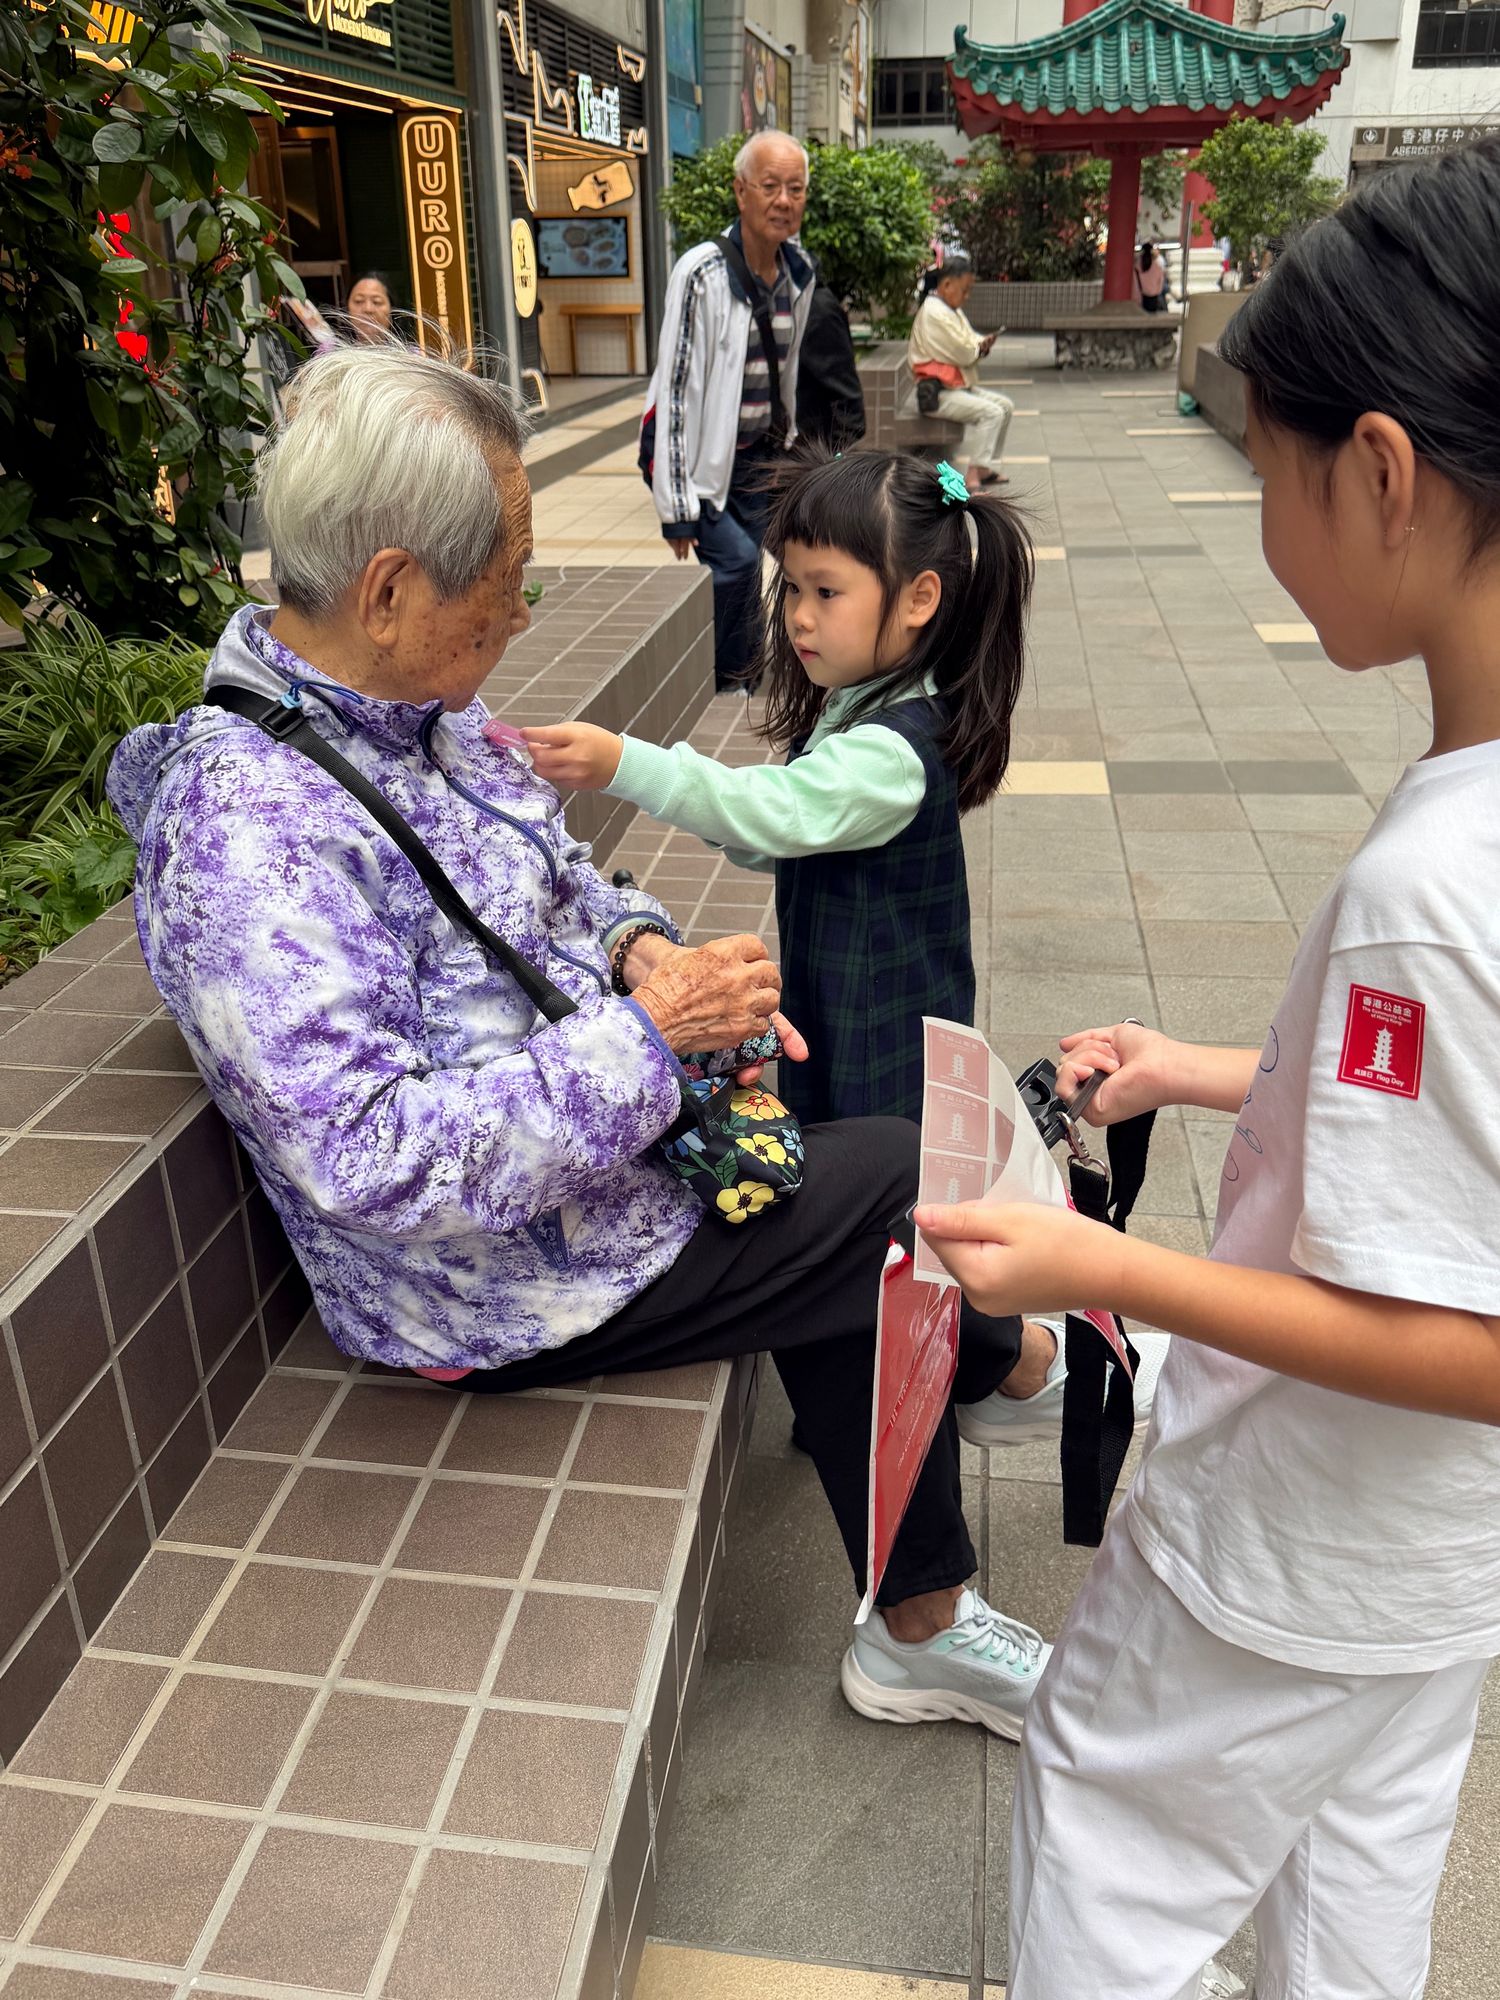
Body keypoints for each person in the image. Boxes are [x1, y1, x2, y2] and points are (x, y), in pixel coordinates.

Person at [105, 338, 1071, 1742]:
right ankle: (951, 1545)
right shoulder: (246, 834)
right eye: (507, 588)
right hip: (494, 1279)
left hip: (601, 1163)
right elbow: (369, 1159)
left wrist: (642, 951)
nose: (519, 616)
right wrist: (651, 1038)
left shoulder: (404, 710)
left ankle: (970, 1469)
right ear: (390, 591)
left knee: (831, 1179)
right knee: (888, 1183)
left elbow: (556, 878)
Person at [918, 136, 1500, 2000]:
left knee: (1112, 1842)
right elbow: (1453, 1120)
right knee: (1356, 1881)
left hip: (1295, 1544)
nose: (1263, 511)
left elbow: (1471, 1334)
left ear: (1383, 473)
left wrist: (1103, 1269)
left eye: (1267, 463)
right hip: (1435, 1574)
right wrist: (1198, 1066)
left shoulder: (1432, 889)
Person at [523, 448, 1030, 1132]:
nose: (799, 616)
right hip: (848, 999)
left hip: (882, 1030)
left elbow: (774, 811)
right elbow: (786, 832)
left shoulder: (889, 753)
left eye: (827, 592)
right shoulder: (865, 701)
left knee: (874, 1162)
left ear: (919, 599)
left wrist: (624, 764)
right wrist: (740, 828)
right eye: (791, 587)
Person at [641, 132, 817, 692]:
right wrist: (677, 509)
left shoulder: (799, 272)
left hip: (763, 456)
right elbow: (674, 391)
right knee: (738, 564)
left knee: (806, 553)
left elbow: (786, 373)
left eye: (795, 189)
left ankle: (784, 666)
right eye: (770, 186)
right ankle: (727, 683)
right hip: (700, 460)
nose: (783, 200)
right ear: (741, 192)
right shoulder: (701, 273)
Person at [907, 256, 1012, 491]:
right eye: (964, 290)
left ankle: (986, 467)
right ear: (947, 285)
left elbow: (969, 340)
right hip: (936, 393)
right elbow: (963, 351)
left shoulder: (948, 308)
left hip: (953, 387)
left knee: (1005, 406)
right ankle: (974, 473)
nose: (967, 296)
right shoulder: (934, 312)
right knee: (992, 413)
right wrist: (980, 347)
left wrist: (981, 344)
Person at [795, 265, 866, 451]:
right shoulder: (781, 304)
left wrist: (834, 460)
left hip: (810, 451)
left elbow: (849, 403)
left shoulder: (817, 309)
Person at [347, 271, 395, 343]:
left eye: (377, 302)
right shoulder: (332, 350)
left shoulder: (409, 350)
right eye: (359, 301)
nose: (368, 309)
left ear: (391, 308)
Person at [1135, 240, 1168, 313]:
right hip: (1154, 296)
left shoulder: (1137, 265)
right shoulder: (1157, 266)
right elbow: (1160, 281)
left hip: (1141, 296)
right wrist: (1157, 291)